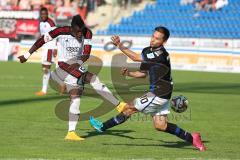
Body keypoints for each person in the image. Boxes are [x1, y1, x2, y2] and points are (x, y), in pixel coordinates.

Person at [89, 26, 206, 151]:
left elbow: (134, 57)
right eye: (153, 36)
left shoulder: (160, 54)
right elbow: (143, 73)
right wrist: (129, 74)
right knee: (160, 125)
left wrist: (119, 45)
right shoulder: (147, 51)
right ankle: (192, 138)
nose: (153, 40)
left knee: (129, 108)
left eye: (157, 39)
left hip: (159, 93)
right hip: (162, 93)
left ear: (163, 42)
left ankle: (102, 127)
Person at [18, 14, 126, 141]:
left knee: (76, 98)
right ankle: (118, 105)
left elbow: (86, 54)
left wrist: (77, 65)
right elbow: (42, 40)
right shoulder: (60, 31)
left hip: (77, 64)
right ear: (72, 28)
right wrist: (26, 55)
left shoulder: (88, 33)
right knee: (92, 78)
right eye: (77, 31)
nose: (80, 33)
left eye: (81, 30)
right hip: (64, 65)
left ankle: (71, 133)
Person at [36, 7, 57, 96]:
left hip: (50, 47)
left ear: (47, 14)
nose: (43, 15)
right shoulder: (40, 23)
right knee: (44, 68)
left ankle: (44, 90)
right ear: (40, 14)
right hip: (45, 47)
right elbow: (42, 36)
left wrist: (55, 47)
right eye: (42, 14)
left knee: (46, 68)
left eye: (45, 14)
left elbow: (56, 34)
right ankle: (56, 77)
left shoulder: (51, 22)